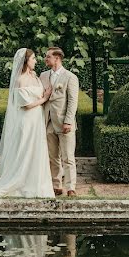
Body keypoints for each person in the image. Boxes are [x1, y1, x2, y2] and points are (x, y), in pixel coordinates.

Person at [0, 48, 55, 198]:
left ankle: (36, 179)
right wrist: (45, 98)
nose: (36, 61)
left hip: (37, 119)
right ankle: (20, 179)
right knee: (25, 149)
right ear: (26, 61)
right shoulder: (19, 80)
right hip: (27, 119)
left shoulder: (35, 76)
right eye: (33, 58)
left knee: (36, 148)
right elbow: (26, 105)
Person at [39, 47, 79, 197]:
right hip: (48, 122)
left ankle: (70, 187)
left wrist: (68, 121)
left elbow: (73, 101)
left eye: (48, 56)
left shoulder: (70, 77)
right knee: (52, 156)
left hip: (64, 123)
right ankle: (56, 185)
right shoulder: (42, 76)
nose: (45, 59)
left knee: (68, 157)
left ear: (57, 58)